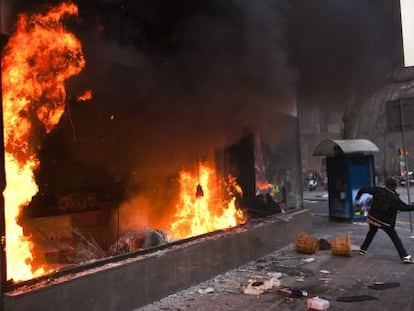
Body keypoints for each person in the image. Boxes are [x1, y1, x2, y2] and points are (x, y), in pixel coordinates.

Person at [355, 177, 414, 264]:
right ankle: (404, 256)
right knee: (395, 238)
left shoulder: (378, 190)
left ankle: (363, 249)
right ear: (394, 187)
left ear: (386, 185)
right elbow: (406, 207)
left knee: (371, 233)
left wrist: (357, 197)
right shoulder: (394, 198)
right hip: (386, 222)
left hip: (373, 218)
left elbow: (363, 189)